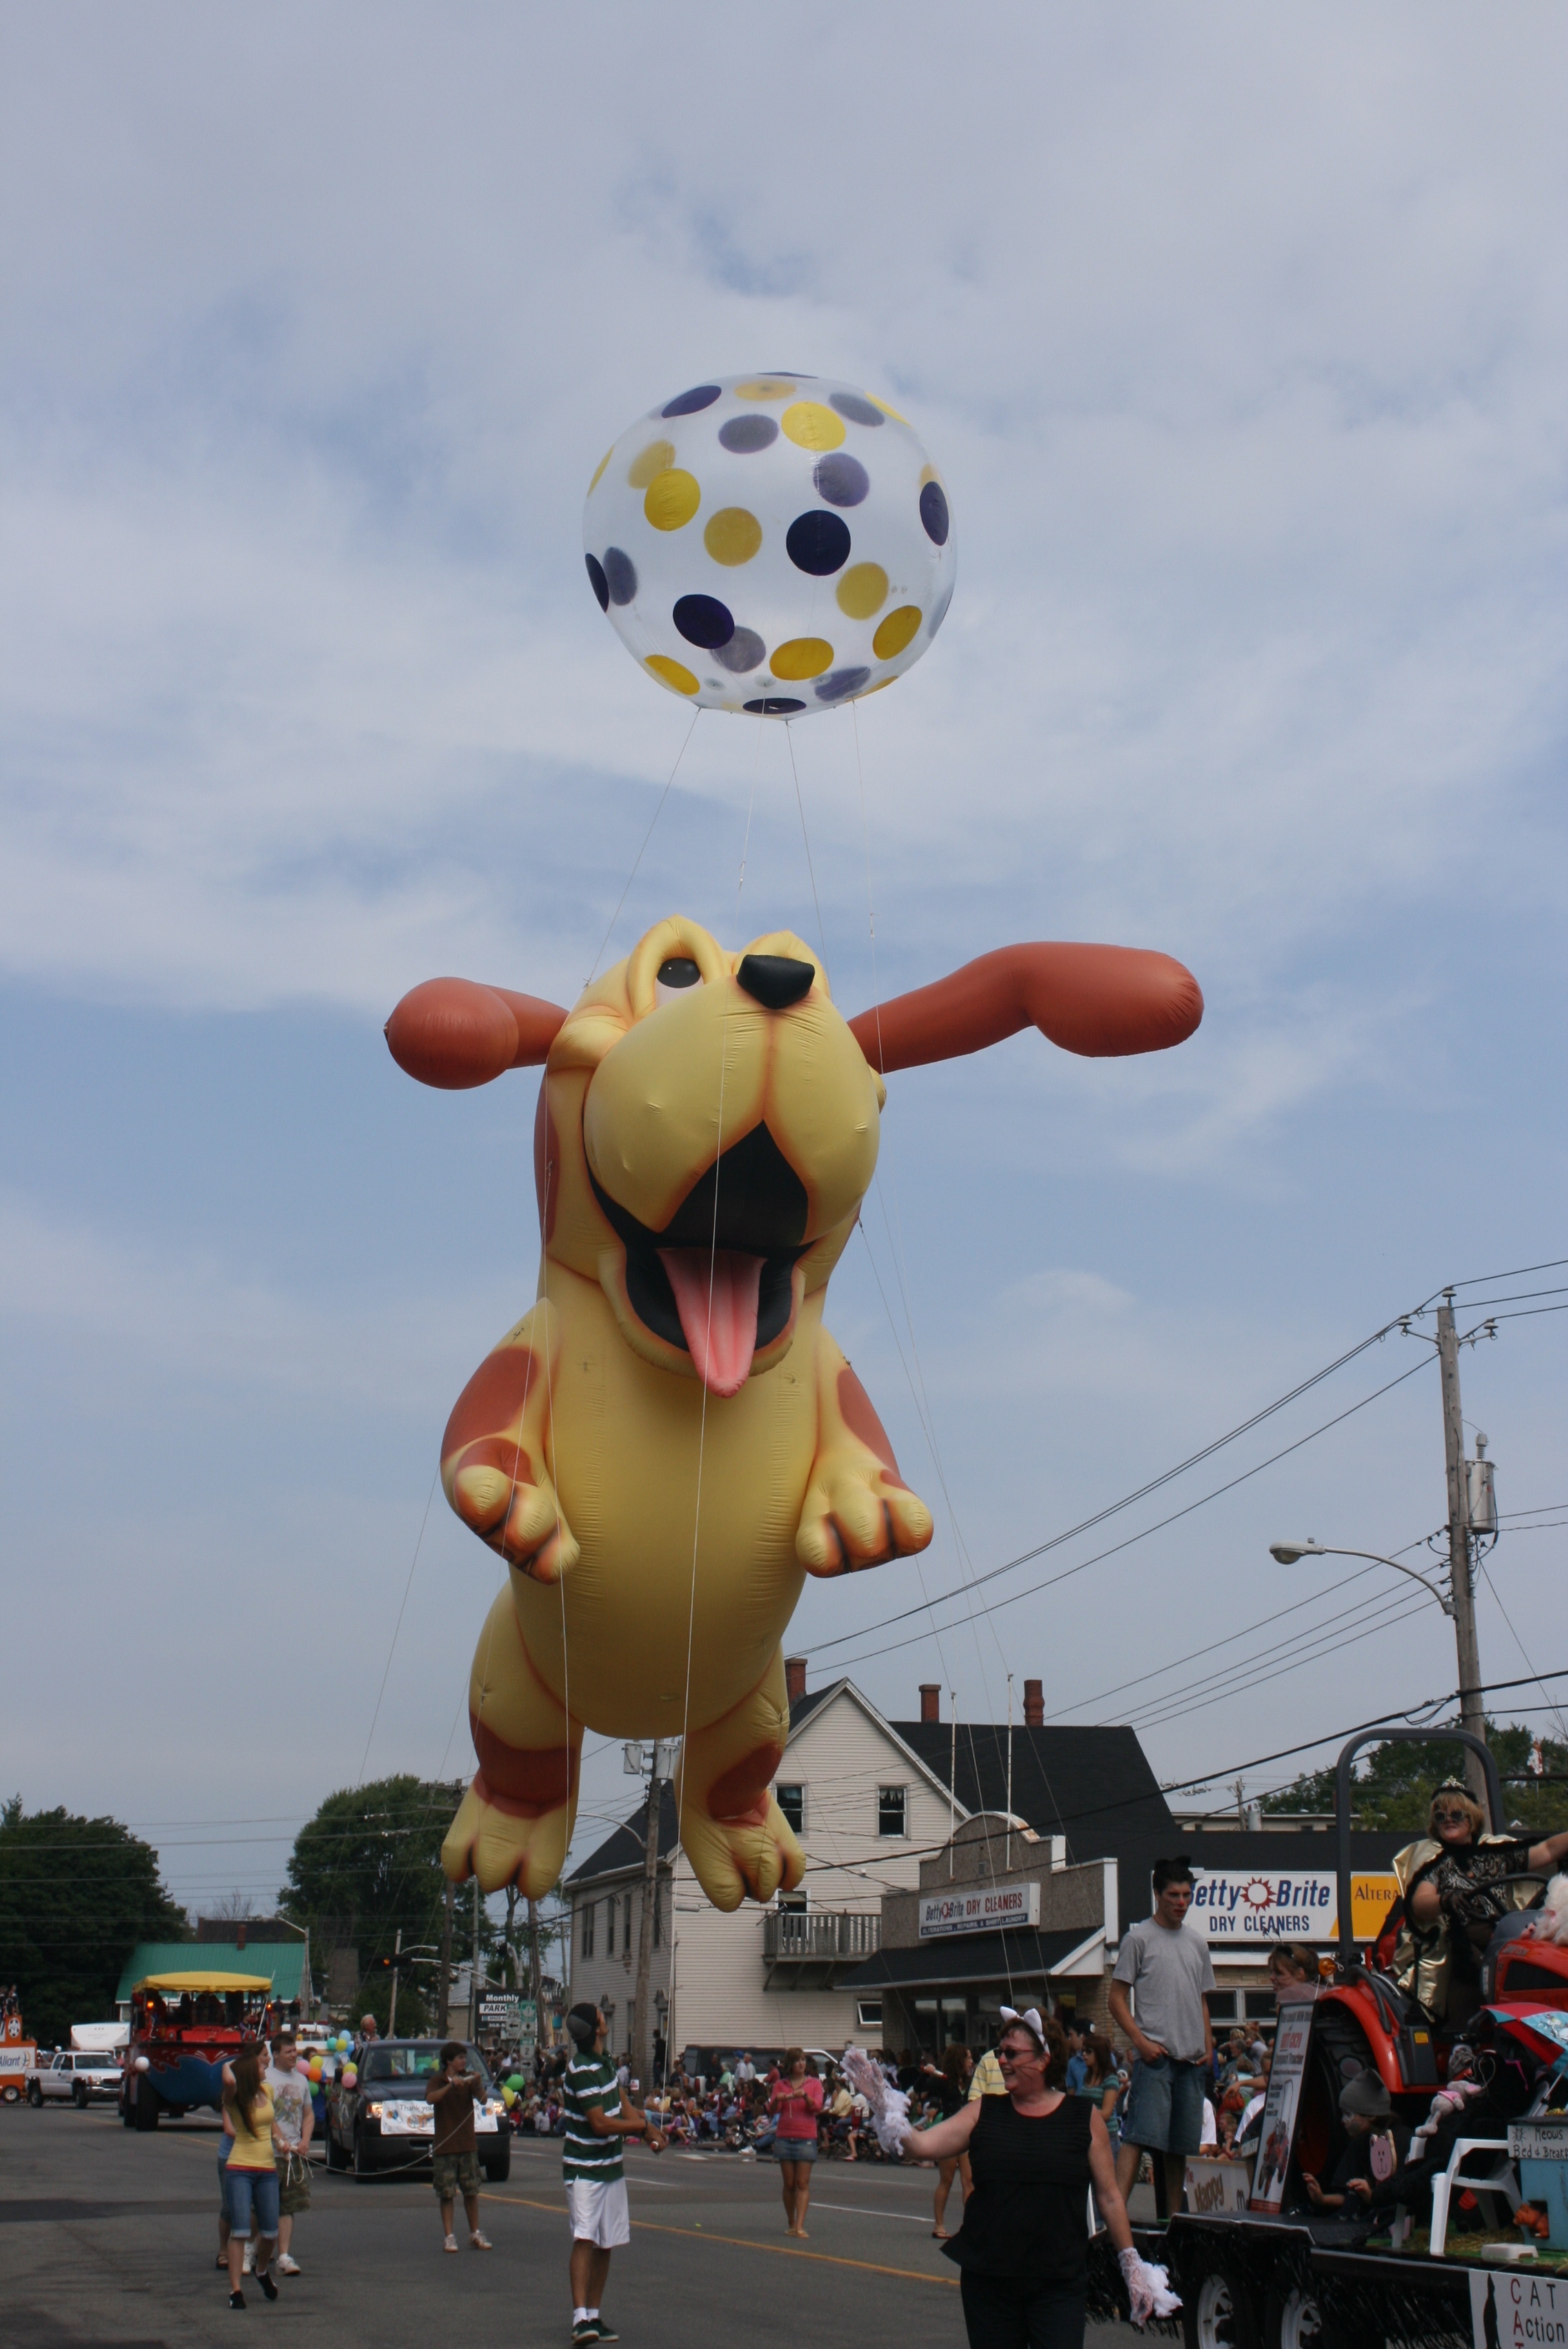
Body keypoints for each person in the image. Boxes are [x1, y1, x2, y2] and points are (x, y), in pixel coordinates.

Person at [893, 2005, 1163, 2346]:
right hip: (990, 2280)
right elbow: (920, 2145)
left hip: (1059, 2282)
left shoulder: (1084, 2117)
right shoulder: (983, 2111)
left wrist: (1131, 2264)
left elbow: (1109, 2197)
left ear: (1043, 2059)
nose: (1002, 2061)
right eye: (999, 2053)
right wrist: (883, 2103)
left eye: (1012, 2054)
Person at [1392, 1778, 1568, 2029]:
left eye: (1456, 1813)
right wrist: (1445, 1900)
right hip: (1457, 1938)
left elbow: (1548, 1850)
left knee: (1536, 1945)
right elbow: (1420, 1902)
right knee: (1469, 1955)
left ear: (1472, 1817)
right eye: (1440, 1815)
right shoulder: (1436, 1866)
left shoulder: (1496, 1856)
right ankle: (1463, 2040)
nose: (1448, 1819)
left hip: (1500, 1932)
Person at [1108, 1855, 1214, 2216]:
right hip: (1155, 2059)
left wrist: (1209, 2046)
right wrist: (1140, 2043)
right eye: (1174, 1895)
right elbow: (1115, 1998)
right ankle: (1115, 2220)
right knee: (1138, 2137)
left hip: (1191, 2061)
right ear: (1158, 1894)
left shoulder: (1198, 1943)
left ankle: (1173, 2222)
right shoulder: (1138, 1939)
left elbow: (1201, 1999)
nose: (1181, 1902)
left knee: (1179, 2149)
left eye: (1187, 1895)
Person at [562, 2002, 666, 2346]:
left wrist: (648, 2129)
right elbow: (601, 2123)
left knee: (605, 2243)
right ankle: (579, 2319)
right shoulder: (580, 2069)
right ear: (595, 2028)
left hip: (610, 2169)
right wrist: (639, 2125)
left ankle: (594, 2315)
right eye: (600, 2017)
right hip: (585, 2170)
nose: (605, 2019)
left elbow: (621, 2102)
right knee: (585, 2238)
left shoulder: (604, 2064)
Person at [222, 2040, 280, 2309]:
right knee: (241, 2230)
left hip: (267, 2169)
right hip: (240, 2168)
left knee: (270, 2232)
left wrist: (280, 2141)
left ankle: (261, 2270)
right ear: (247, 2070)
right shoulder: (234, 2098)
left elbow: (272, 2125)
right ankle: (235, 2290)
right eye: (260, 2063)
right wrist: (230, 2064)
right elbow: (228, 2077)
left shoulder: (267, 2090)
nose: (265, 2064)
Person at [1302, 2073, 1410, 2210]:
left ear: (1371, 2115)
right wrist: (1322, 2199)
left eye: (1349, 2115)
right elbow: (1351, 2198)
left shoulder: (1402, 2141)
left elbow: (1400, 2195)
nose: (1343, 2121)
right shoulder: (1361, 2142)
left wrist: (1372, 2196)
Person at [428, 2041, 492, 2254]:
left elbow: (483, 2101)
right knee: (446, 2193)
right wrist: (450, 2086)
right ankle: (449, 2236)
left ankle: (475, 2232)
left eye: (465, 2057)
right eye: (460, 2058)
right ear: (448, 2060)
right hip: (445, 2145)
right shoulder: (437, 2080)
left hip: (467, 2144)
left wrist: (478, 2084)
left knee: (471, 2191)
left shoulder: (469, 2078)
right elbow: (430, 2099)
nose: (464, 2061)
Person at [265, 2031, 314, 2276]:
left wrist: (304, 2140)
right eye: (289, 2052)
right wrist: (279, 2139)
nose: (294, 2055)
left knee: (288, 2206)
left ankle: (283, 2256)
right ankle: (251, 2250)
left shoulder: (302, 2081)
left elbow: (308, 2114)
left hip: (293, 2155)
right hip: (268, 2154)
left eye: (295, 2050)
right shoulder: (265, 2079)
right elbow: (264, 2114)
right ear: (276, 2054)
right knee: (261, 2206)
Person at [769, 2049, 824, 2237]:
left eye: (803, 2060)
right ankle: (791, 2221)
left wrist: (805, 2096)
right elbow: (772, 2109)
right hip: (785, 2136)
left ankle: (800, 2224)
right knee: (789, 2183)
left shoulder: (814, 2083)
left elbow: (817, 2107)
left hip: (806, 2137)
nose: (801, 2064)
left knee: (802, 2182)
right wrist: (778, 2099)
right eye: (797, 2061)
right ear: (789, 2065)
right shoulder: (780, 2084)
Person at [930, 2045, 975, 2240]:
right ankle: (939, 2225)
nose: (971, 2061)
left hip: (966, 2134)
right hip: (949, 2134)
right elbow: (919, 2089)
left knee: (969, 2181)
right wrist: (930, 2073)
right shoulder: (944, 2082)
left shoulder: (970, 2082)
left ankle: (970, 2225)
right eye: (968, 2058)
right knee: (946, 2181)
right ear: (959, 2060)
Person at [1063, 2025, 1088, 2096]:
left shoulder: (1107, 2058)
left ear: (1081, 2036)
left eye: (1071, 2035)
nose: (1069, 2039)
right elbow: (1071, 2092)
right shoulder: (1072, 2062)